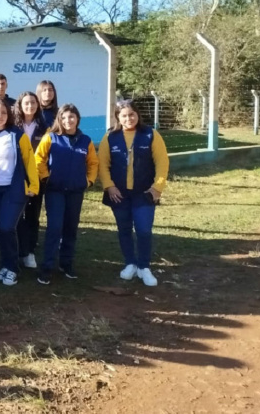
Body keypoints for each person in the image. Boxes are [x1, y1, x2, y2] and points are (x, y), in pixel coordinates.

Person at [98, 100, 169, 287]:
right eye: (124, 116)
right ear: (118, 118)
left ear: (137, 114)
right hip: (118, 194)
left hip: (144, 193)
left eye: (132, 114)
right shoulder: (110, 137)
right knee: (124, 229)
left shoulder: (151, 135)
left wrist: (157, 188)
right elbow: (103, 165)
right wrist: (109, 186)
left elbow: (162, 163)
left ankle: (144, 267)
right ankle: (130, 263)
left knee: (144, 230)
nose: (128, 118)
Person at [0, 98, 38, 287]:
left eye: (3, 113)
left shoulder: (17, 134)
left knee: (7, 228)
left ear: (9, 115)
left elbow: (29, 161)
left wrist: (33, 186)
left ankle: (12, 268)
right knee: (0, 230)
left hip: (14, 189)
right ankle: (5, 264)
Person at [34, 104, 98, 284]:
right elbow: (38, 159)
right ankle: (47, 267)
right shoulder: (51, 137)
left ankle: (66, 263)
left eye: (71, 117)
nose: (67, 121)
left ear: (77, 119)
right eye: (63, 118)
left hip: (75, 192)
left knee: (70, 228)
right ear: (59, 120)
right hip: (55, 191)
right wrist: (46, 177)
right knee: (54, 228)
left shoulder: (85, 140)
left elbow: (93, 163)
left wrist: (88, 181)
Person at [13, 91, 49, 269]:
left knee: (33, 215)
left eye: (33, 103)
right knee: (17, 214)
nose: (30, 106)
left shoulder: (45, 127)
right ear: (20, 106)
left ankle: (30, 252)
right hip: (16, 178)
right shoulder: (13, 126)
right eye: (26, 103)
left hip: (37, 179)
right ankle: (19, 249)